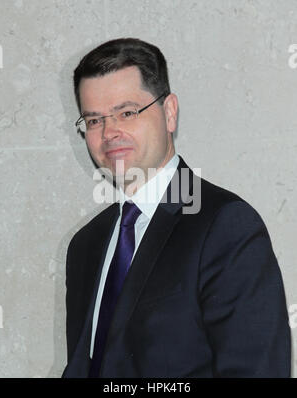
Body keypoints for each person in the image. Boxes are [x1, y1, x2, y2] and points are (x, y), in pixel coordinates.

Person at [62, 38, 291, 378]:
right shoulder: (85, 245)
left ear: (169, 112)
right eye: (94, 120)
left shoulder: (225, 226)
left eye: (126, 112)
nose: (110, 133)